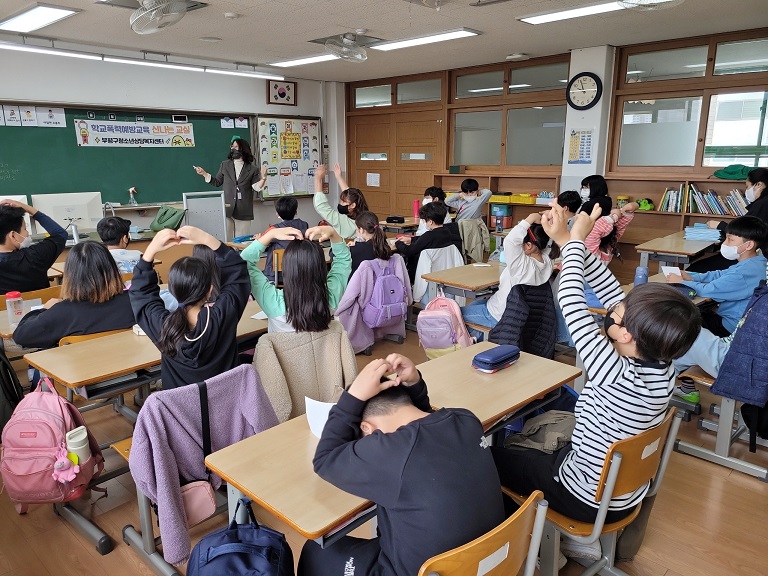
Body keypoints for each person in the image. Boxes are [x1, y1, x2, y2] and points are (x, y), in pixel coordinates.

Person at [493, 203, 700, 562]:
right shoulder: (664, 368)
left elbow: (571, 298)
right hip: (623, 494)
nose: (611, 311)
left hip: (582, 497)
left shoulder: (613, 372)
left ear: (625, 335)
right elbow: (609, 293)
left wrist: (575, 239)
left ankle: (538, 548)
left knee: (491, 458)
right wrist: (566, 239)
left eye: (617, 316)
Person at [298, 353, 504, 576]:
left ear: (367, 429)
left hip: (417, 571)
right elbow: (427, 424)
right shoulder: (466, 420)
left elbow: (325, 460)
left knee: (315, 551)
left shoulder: (390, 452)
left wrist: (353, 396)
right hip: (491, 562)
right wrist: (415, 384)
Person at [129, 226, 251, 390]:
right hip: (228, 406)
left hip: (181, 413)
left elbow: (141, 294)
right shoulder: (223, 315)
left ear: (172, 290)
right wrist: (208, 239)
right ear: (210, 290)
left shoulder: (163, 327)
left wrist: (150, 252)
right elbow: (237, 272)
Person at [12, 242, 135, 349]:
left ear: (70, 276)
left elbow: (21, 336)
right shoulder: (134, 302)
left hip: (79, 374)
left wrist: (43, 309)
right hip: (132, 371)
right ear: (112, 269)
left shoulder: (62, 312)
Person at [666, 215, 768, 337]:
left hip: (729, 328)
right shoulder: (757, 261)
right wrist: (693, 277)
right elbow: (721, 274)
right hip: (741, 321)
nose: (724, 243)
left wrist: (681, 282)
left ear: (749, 245)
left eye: (730, 239)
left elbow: (708, 290)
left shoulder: (743, 273)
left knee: (675, 317)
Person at [241, 225, 351, 333]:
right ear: (322, 268)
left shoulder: (273, 301)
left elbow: (242, 263)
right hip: (324, 351)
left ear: (286, 268)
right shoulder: (332, 296)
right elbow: (343, 261)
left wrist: (270, 234)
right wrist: (333, 233)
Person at [461, 213, 552, 339]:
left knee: (453, 314)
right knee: (472, 305)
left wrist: (531, 217)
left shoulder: (521, 266)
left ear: (529, 246)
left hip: (499, 314)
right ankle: (478, 341)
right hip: (517, 314)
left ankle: (469, 345)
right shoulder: (547, 261)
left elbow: (510, 241)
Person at [691, 167, 768, 272]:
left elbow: (746, 231)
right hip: (756, 255)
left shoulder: (763, 204)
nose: (746, 191)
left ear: (758, 184)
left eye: (747, 186)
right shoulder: (762, 203)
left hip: (753, 256)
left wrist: (719, 226)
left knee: (696, 269)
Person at [193, 137, 266, 239]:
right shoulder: (225, 165)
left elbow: (257, 187)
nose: (233, 149)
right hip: (227, 208)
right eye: (232, 146)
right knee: (227, 239)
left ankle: (240, 255)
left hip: (243, 210)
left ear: (243, 149)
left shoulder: (252, 169)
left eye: (237, 147)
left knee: (241, 240)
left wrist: (263, 179)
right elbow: (217, 182)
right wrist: (204, 174)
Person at [0, 199, 66, 294]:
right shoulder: (36, 256)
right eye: (25, 229)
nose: (27, 233)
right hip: (43, 308)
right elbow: (60, 233)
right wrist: (29, 209)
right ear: (13, 235)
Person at [395, 202, 461, 284]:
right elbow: (427, 239)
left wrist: (397, 243)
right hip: (441, 271)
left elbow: (409, 251)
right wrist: (412, 240)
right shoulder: (446, 231)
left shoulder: (429, 235)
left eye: (424, 221)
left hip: (424, 273)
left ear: (430, 222)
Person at [258, 196, 309, 283]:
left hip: (278, 275)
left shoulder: (275, 229)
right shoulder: (304, 225)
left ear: (277, 213)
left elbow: (262, 240)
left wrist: (259, 237)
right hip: (299, 272)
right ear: (295, 211)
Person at [313, 163, 368, 239]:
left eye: (343, 201)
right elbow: (349, 195)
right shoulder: (366, 218)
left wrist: (318, 179)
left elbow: (321, 206)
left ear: (352, 205)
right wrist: (339, 177)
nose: (340, 203)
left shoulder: (342, 220)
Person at [349, 211, 391, 276]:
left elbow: (334, 255)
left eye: (357, 229)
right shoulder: (385, 246)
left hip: (360, 285)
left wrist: (355, 245)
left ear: (362, 230)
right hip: (381, 284)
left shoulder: (356, 249)